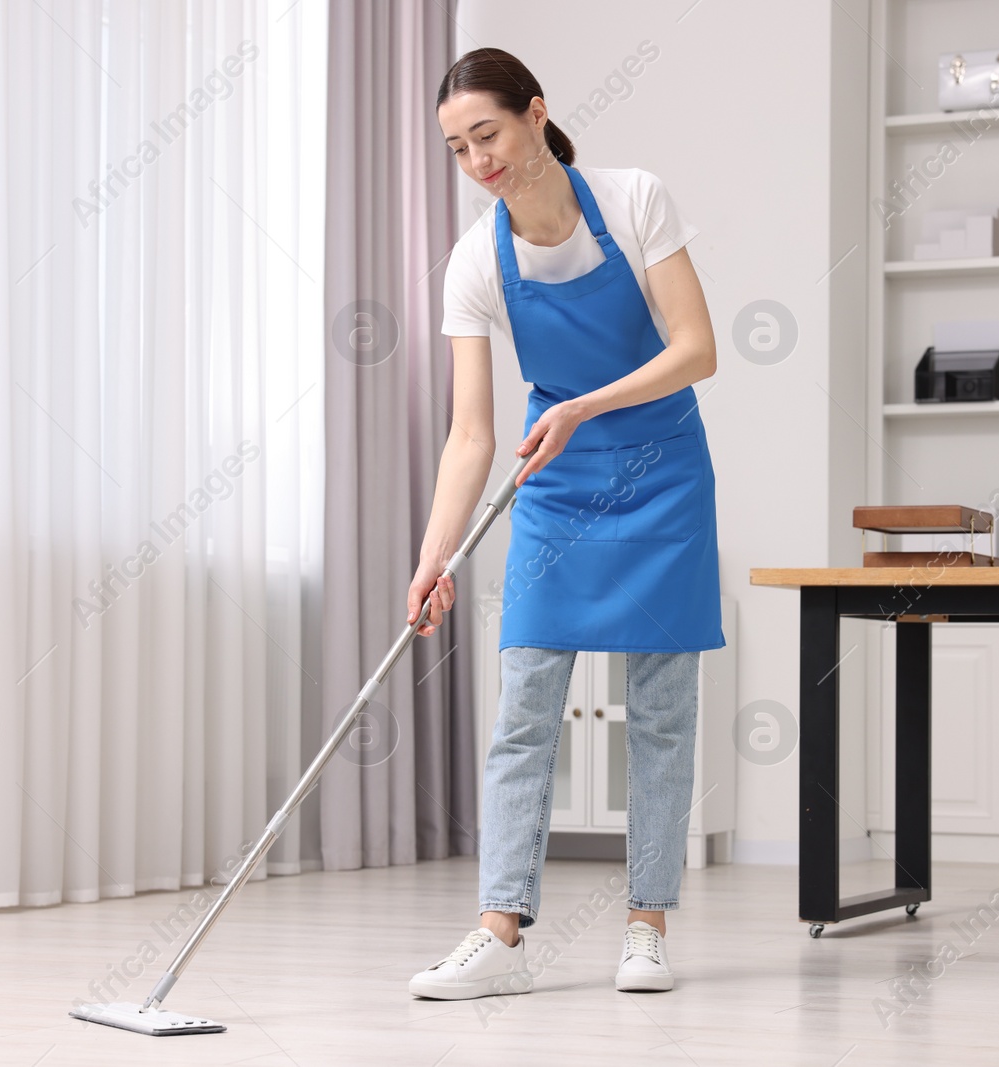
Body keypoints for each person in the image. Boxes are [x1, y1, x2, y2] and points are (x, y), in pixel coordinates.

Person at [406, 47, 724, 1001]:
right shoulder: (475, 261)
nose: (478, 162)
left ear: (536, 115)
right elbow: (471, 434)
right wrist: (434, 558)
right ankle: (500, 932)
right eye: (458, 149)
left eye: (488, 135)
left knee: (662, 716)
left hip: (663, 476)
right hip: (556, 489)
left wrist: (584, 406)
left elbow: (697, 349)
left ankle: (646, 926)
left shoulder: (632, 200)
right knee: (525, 712)